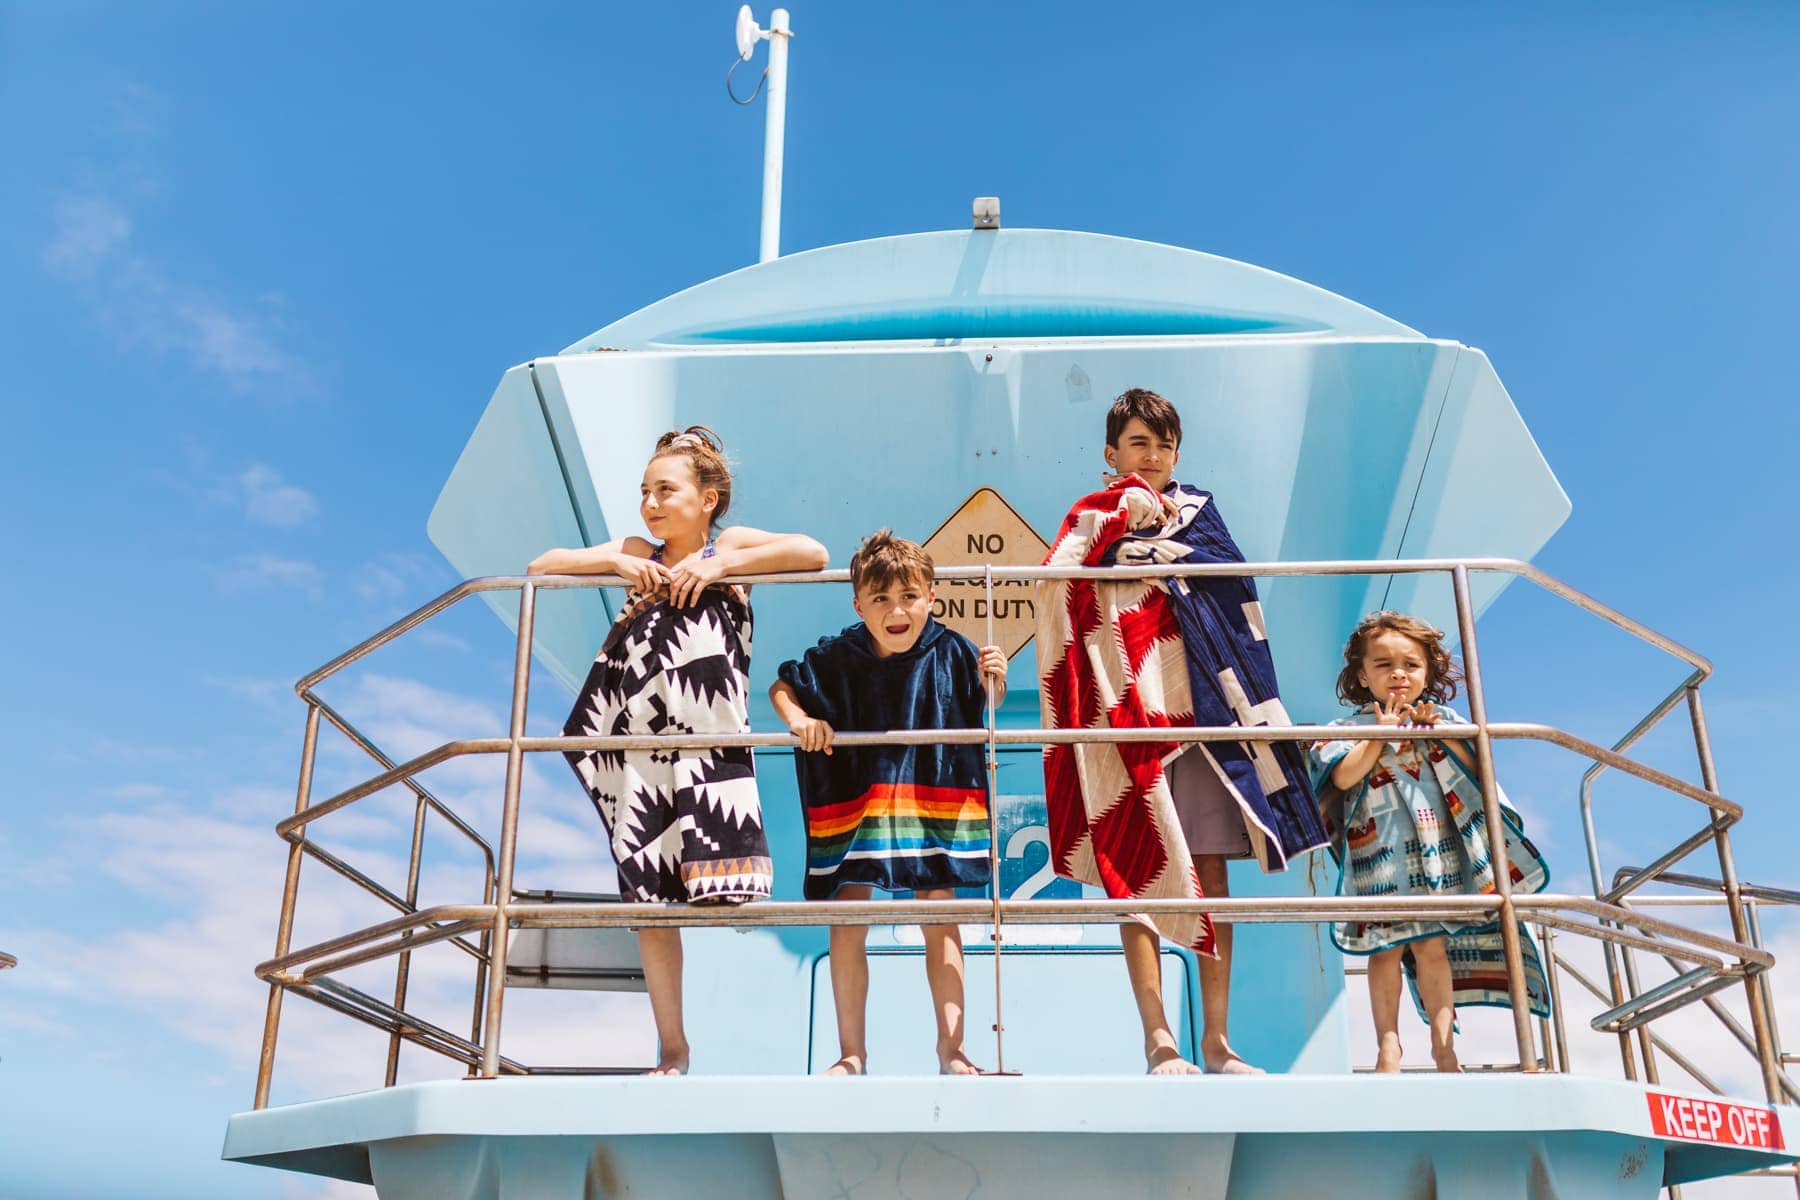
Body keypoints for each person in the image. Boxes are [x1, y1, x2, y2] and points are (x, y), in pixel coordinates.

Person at [1036, 388, 1327, 1075]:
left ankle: (1217, 1042)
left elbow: (1230, 595)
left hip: (1203, 720)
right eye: (1139, 443)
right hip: (1125, 715)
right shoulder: (1090, 517)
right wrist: (1122, 554)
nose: (1154, 455)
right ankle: (1158, 1037)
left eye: (1164, 444)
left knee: (1214, 874)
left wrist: (1157, 566)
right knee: (1135, 869)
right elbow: (1059, 583)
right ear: (1111, 454)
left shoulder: (1201, 516)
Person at [529, 425, 829, 1076]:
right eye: (645, 491)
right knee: (650, 907)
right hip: (643, 752)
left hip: (709, 754)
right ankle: (673, 1048)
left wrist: (719, 566)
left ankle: (760, 1040)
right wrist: (616, 563)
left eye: (666, 490)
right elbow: (541, 566)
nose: (651, 503)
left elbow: (814, 554)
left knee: (722, 895)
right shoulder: (640, 549)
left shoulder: (734, 546)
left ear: (709, 498)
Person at [771, 531, 1008, 1076]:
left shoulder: (953, 649)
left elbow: (984, 704)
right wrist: (800, 721)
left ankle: (952, 1050)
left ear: (931, 597)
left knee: (939, 910)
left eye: (908, 596)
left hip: (931, 795)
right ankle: (851, 1054)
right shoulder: (836, 654)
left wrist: (994, 680)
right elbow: (783, 687)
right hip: (859, 798)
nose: (896, 610)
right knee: (847, 914)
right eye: (880, 599)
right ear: (859, 604)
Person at [1308, 610, 1550, 1073]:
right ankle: (1388, 1048)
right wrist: (1381, 736)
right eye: (1383, 665)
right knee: (1384, 949)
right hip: (1376, 860)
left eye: (1411, 665)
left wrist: (1438, 734)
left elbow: (1481, 771)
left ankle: (1444, 1049)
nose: (1398, 673)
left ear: (1429, 673)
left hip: (1435, 857)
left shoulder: (1447, 720)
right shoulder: (1346, 730)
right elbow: (1341, 776)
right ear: (1362, 675)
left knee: (1432, 948)